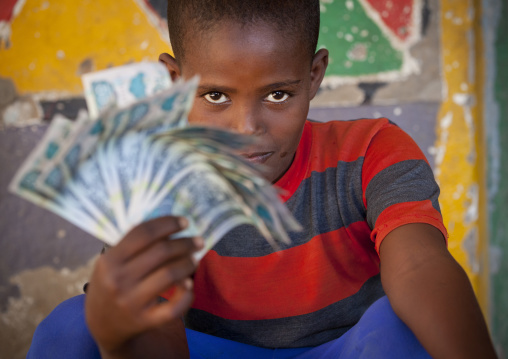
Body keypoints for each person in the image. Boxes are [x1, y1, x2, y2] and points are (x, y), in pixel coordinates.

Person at [28, 1, 497, 358]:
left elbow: (419, 268)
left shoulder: (372, 150)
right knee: (74, 328)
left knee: (403, 327)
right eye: (215, 95)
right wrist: (119, 336)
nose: (246, 127)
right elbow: (155, 331)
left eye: (277, 94)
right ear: (175, 80)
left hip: (342, 350)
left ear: (314, 76)